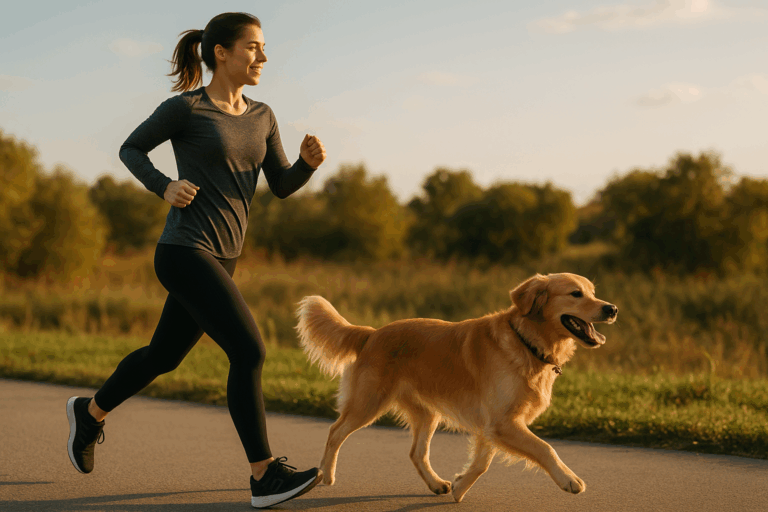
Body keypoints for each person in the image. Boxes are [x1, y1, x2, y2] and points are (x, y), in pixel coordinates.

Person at [65, 12, 326, 509]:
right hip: (184, 251)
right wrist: (164, 185)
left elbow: (283, 186)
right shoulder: (186, 109)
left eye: (264, 47)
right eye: (253, 47)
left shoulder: (263, 115)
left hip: (222, 258)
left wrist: (307, 166)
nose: (263, 57)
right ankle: (263, 475)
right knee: (250, 351)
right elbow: (130, 148)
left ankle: (90, 411)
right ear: (221, 52)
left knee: (162, 357)